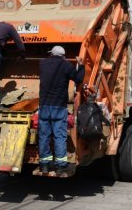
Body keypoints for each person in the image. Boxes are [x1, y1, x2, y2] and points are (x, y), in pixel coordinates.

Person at [38, 45, 85, 176]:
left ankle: (45, 166)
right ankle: (60, 167)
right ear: (63, 56)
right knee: (59, 137)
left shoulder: (43, 64)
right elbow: (79, 79)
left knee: (44, 136)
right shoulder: (66, 65)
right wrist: (80, 65)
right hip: (59, 107)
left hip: (44, 106)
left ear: (51, 54)